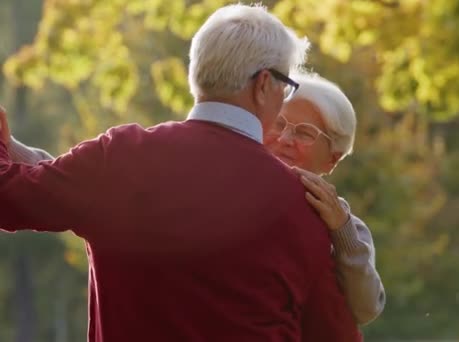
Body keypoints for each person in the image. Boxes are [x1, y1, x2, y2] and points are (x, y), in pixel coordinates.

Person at [0, 4, 360, 342]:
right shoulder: (304, 205)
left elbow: (11, 195)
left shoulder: (121, 157)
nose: (284, 98)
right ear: (263, 84)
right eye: (285, 86)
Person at [265, 73, 385, 325]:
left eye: (305, 134)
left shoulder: (346, 226)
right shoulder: (230, 185)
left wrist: (342, 232)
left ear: (333, 160)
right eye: (278, 123)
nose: (285, 139)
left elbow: (366, 307)